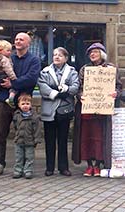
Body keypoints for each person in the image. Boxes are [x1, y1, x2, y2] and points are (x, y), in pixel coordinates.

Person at [0, 32, 40, 177]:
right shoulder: (6, 57)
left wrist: (13, 83)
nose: (17, 41)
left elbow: (31, 79)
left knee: (26, 135)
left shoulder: (34, 60)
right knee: (0, 132)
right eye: (16, 39)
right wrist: (2, 83)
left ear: (28, 43)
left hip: (24, 102)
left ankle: (25, 166)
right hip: (4, 100)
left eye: (21, 39)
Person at [71, 42, 122, 177]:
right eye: (90, 53)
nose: (92, 55)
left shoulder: (111, 69)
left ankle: (98, 164)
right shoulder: (85, 69)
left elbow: (118, 86)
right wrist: (81, 96)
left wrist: (116, 93)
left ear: (102, 54)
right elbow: (79, 87)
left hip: (102, 110)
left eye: (95, 52)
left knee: (100, 138)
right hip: (87, 109)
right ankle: (89, 165)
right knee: (86, 137)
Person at [38, 47, 79, 176]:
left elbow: (75, 87)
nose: (56, 57)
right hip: (49, 110)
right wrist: (56, 93)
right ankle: (49, 167)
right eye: (55, 55)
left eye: (60, 55)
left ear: (66, 58)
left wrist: (65, 89)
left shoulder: (72, 72)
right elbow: (42, 87)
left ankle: (63, 167)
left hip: (64, 110)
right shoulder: (45, 72)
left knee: (63, 140)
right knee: (49, 141)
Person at [12, 93, 42, 179]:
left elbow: (37, 129)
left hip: (30, 141)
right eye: (23, 104)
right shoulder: (17, 115)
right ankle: (18, 170)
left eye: (27, 104)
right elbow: (15, 126)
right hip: (19, 140)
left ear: (31, 105)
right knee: (19, 157)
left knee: (29, 157)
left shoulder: (34, 117)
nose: (25, 106)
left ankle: (28, 170)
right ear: (19, 105)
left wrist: (36, 139)